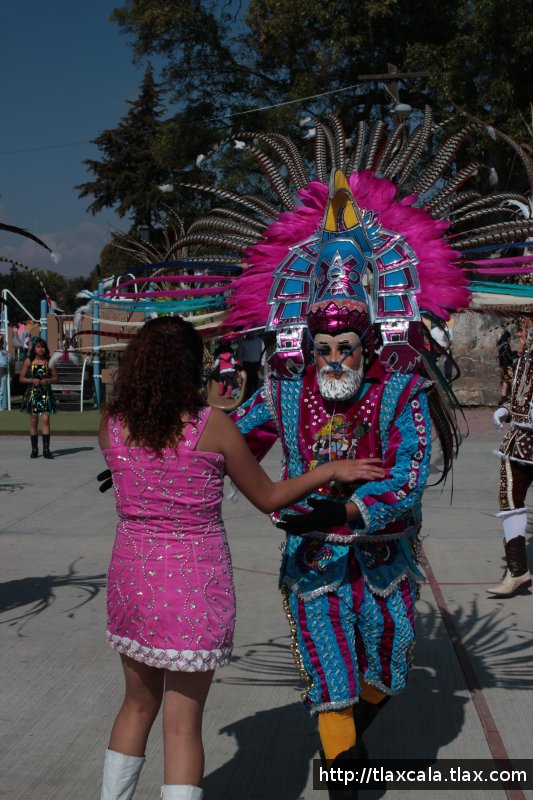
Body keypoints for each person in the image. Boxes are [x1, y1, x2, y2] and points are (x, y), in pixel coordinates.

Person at [97, 315, 384, 800]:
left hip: (132, 578)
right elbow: (269, 496)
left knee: (135, 707)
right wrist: (330, 469)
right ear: (192, 368)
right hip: (192, 582)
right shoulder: (212, 427)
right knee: (182, 727)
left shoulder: (112, 424)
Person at [229, 173, 442, 799]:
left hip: (383, 562)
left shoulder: (400, 392)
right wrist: (169, 450)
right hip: (315, 564)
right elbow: (231, 443)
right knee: (332, 679)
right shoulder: (285, 392)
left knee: (387, 672)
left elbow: (408, 477)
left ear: (367, 345)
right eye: (322, 347)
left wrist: (349, 505)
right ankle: (343, 769)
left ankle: (344, 751)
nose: (333, 361)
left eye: (345, 348)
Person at [489, 324, 533, 597]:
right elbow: (519, 395)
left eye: (526, 329)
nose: (522, 334)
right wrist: (505, 410)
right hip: (518, 443)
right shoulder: (526, 358)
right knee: (510, 504)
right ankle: (517, 572)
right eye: (523, 329)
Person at [19, 337, 58, 458]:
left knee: (46, 419)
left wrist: (48, 380)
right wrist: (32, 380)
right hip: (33, 393)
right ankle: (34, 449)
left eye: (43, 347)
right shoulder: (28, 361)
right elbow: (21, 378)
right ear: (34, 348)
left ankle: (46, 449)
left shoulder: (49, 361)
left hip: (45, 393)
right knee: (33, 421)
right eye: (38, 347)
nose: (41, 349)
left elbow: (56, 378)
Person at [237, 334, 263, 400]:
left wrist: (262, 363)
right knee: (248, 381)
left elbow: (262, 351)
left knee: (255, 379)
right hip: (247, 364)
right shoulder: (242, 342)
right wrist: (241, 365)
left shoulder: (259, 340)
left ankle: (256, 396)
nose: (250, 333)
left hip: (256, 363)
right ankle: (249, 397)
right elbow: (240, 354)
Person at [496, 330, 517, 405]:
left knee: (505, 384)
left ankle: (503, 400)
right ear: (507, 337)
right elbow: (509, 356)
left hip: (502, 367)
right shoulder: (506, 345)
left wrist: (514, 352)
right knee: (512, 383)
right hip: (507, 367)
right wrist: (517, 354)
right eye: (509, 338)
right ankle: (512, 399)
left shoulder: (500, 345)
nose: (510, 339)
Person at [0, 335, 9, 411]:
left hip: (3, 370)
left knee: (2, 389)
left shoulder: (4, 351)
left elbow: (7, 360)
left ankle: (0, 405)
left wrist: (9, 357)